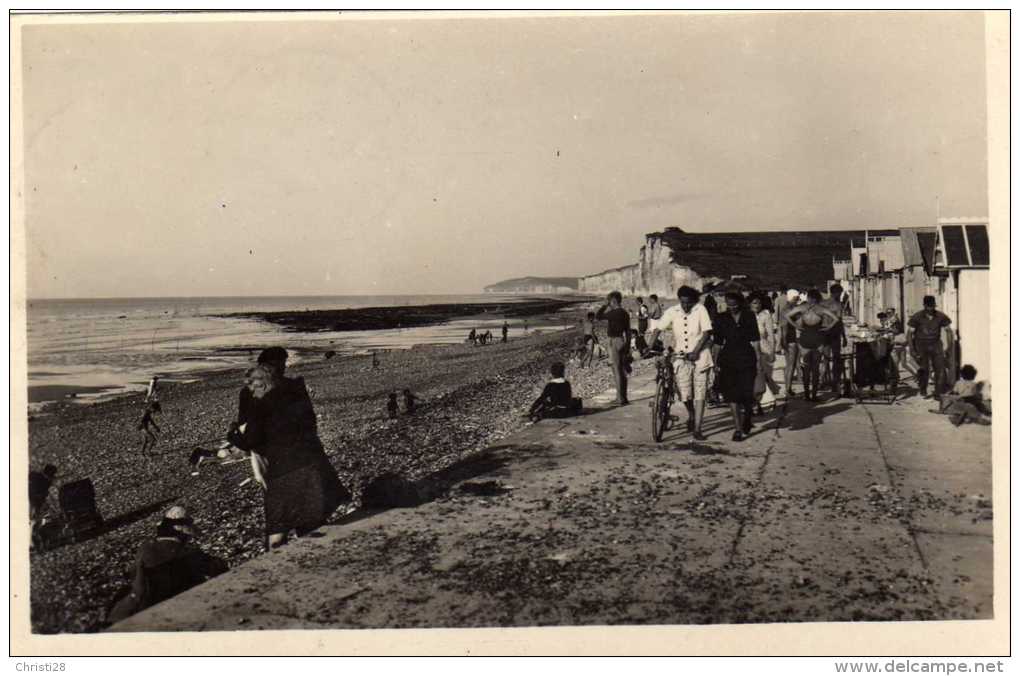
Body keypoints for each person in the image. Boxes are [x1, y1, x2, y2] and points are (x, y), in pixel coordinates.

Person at [227, 348, 349, 550]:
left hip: (282, 466)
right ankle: (314, 558)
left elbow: (249, 434)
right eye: (279, 364)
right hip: (310, 459)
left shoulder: (257, 397)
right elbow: (309, 422)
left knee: (278, 526)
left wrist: (234, 435)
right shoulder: (294, 387)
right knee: (310, 520)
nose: (281, 368)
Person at [106, 506, 227, 624]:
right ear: (182, 532)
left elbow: (133, 577)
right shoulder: (188, 553)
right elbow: (220, 567)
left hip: (126, 612)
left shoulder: (144, 549)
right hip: (162, 614)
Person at [647, 286, 714, 440]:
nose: (685, 306)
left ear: (694, 301)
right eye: (683, 303)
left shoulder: (700, 309)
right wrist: (649, 346)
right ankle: (691, 414)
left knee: (700, 392)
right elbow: (658, 329)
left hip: (700, 355)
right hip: (681, 357)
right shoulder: (672, 311)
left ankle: (698, 428)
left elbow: (706, 333)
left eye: (688, 303)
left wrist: (696, 351)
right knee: (684, 393)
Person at [712, 292, 761, 441]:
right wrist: (714, 362)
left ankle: (747, 416)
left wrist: (759, 361)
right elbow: (717, 343)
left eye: (734, 304)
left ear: (740, 303)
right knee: (732, 395)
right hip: (728, 360)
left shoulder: (749, 316)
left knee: (746, 394)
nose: (732, 307)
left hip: (747, 358)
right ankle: (738, 429)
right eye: (729, 304)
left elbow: (756, 340)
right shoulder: (721, 318)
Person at [786, 289, 840, 402]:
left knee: (806, 368)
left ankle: (806, 395)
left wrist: (796, 326)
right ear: (817, 298)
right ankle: (814, 395)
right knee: (815, 368)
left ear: (809, 298)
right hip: (818, 338)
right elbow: (836, 318)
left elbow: (787, 316)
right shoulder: (821, 309)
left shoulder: (802, 308)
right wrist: (827, 328)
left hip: (805, 337)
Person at [907, 295, 953, 398]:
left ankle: (938, 392)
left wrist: (949, 347)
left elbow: (949, 331)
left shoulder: (941, 316)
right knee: (924, 369)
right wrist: (912, 349)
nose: (930, 309)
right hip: (921, 345)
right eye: (928, 306)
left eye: (932, 306)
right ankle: (923, 389)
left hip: (936, 344)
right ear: (924, 306)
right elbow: (909, 334)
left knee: (940, 369)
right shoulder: (917, 317)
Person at [595, 291, 632, 406]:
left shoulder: (613, 313)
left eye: (609, 301)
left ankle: (619, 399)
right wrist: (627, 344)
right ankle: (623, 397)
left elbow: (598, 316)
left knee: (616, 370)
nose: (609, 303)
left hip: (613, 341)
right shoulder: (625, 313)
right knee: (622, 370)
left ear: (613, 301)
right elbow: (628, 330)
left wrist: (604, 305)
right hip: (622, 340)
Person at [749, 293, 781, 414]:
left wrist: (772, 351)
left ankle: (761, 404)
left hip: (764, 350)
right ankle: (755, 404)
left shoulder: (766, 316)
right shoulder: (746, 316)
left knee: (763, 378)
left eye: (758, 303)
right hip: (749, 351)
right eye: (754, 303)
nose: (757, 305)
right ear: (749, 304)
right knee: (752, 378)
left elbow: (771, 336)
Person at [821, 284, 848, 394]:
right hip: (835, 334)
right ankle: (834, 383)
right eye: (840, 293)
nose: (841, 295)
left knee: (825, 358)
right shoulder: (838, 305)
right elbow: (839, 321)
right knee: (836, 359)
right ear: (836, 293)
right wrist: (844, 336)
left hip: (823, 333)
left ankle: (822, 381)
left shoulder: (823, 303)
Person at [778, 289, 801, 399]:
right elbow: (785, 327)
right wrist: (784, 341)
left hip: (789, 339)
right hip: (790, 339)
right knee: (791, 366)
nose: (797, 301)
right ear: (792, 298)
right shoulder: (788, 310)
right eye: (796, 299)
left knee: (789, 365)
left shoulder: (787, 309)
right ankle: (788, 389)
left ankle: (789, 388)